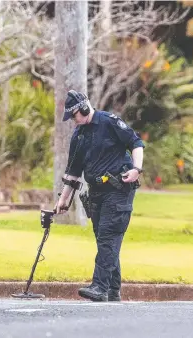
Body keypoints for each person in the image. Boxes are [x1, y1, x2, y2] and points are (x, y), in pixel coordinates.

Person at [55, 90, 145, 302]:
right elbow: (73, 173)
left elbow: (136, 143)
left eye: (74, 115)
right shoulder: (79, 135)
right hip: (96, 194)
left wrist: (136, 169)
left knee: (108, 236)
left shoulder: (109, 122)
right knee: (106, 240)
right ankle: (113, 290)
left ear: (84, 108)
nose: (73, 121)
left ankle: (99, 287)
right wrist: (63, 200)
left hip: (119, 190)